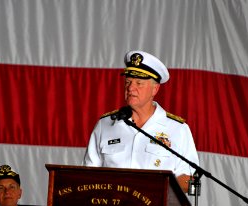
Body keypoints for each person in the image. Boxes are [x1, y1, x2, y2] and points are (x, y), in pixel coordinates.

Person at [83, 50, 199, 193]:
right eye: (128, 82)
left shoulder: (177, 129)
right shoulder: (105, 124)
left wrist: (151, 188)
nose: (131, 88)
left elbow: (189, 179)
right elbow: (87, 175)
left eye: (139, 83)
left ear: (155, 89)